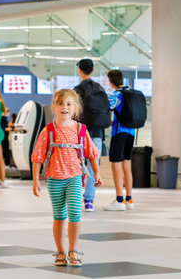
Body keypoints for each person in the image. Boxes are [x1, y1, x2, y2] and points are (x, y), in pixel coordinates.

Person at [31, 89, 103, 267]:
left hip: (75, 178)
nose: (65, 107)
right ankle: (60, 251)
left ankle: (73, 249)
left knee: (75, 214)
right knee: (59, 216)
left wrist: (98, 173)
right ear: (54, 107)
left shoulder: (81, 130)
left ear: (76, 108)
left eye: (69, 104)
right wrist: (35, 181)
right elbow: (37, 157)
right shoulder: (48, 131)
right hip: (54, 179)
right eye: (61, 103)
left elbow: (92, 154)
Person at [74, 58, 110, 212]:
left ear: (79, 70)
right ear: (92, 70)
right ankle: (89, 200)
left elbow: (73, 112)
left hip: (80, 133)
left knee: (76, 165)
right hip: (97, 133)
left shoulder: (77, 90)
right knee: (93, 166)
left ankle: (74, 197)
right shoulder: (100, 89)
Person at [104, 70, 136, 211]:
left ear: (111, 82)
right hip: (132, 132)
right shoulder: (132, 93)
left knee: (115, 165)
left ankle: (119, 200)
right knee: (127, 165)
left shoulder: (115, 95)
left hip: (119, 133)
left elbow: (108, 110)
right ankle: (129, 199)